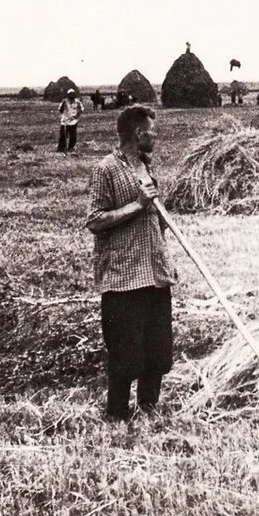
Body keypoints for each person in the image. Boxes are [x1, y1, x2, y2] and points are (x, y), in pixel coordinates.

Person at [85, 105, 177, 421]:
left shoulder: (148, 170)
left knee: (159, 352)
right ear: (139, 134)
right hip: (124, 277)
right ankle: (117, 416)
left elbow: (157, 220)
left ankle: (149, 411)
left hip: (155, 274)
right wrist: (136, 205)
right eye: (153, 131)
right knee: (125, 356)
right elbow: (95, 220)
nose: (157, 136)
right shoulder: (106, 170)